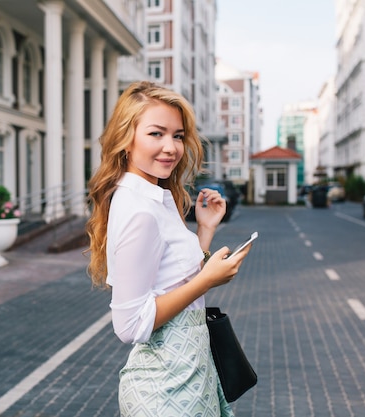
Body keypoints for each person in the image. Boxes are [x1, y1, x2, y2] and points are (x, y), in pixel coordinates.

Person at [85, 81, 251, 417]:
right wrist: (208, 280)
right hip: (166, 392)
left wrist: (204, 229)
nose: (171, 147)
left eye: (177, 135)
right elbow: (130, 326)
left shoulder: (156, 197)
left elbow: (171, 279)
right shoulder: (140, 209)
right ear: (125, 138)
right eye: (156, 134)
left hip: (187, 377)